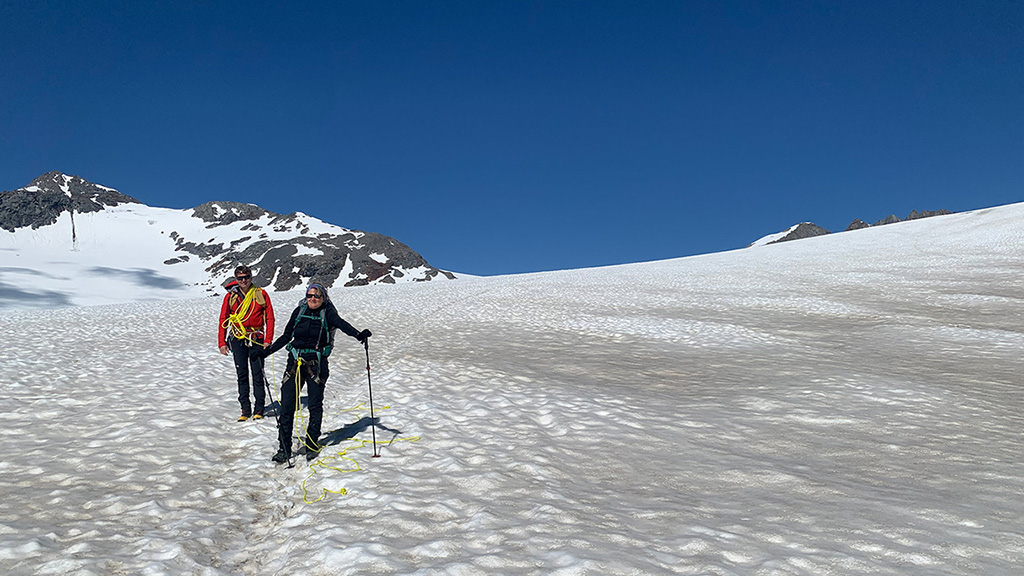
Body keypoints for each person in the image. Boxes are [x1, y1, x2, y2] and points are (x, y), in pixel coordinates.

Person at [260, 282, 371, 463]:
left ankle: (312, 444)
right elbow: (287, 336)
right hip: (294, 363)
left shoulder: (328, 313)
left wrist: (359, 335)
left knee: (314, 405)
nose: (312, 299)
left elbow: (342, 325)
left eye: (316, 296)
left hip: (316, 364)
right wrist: (266, 353)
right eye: (310, 295)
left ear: (323, 298)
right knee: (287, 406)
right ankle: (284, 448)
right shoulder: (299, 312)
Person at [218, 265, 275, 421]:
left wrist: (268, 339)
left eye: (246, 277)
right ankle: (245, 409)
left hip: (256, 337)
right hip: (237, 338)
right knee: (242, 374)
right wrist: (221, 342)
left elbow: (269, 318)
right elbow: (223, 319)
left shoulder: (260, 294)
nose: (243, 281)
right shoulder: (231, 297)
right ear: (236, 279)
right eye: (240, 278)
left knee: (258, 374)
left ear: (251, 277)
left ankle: (259, 408)